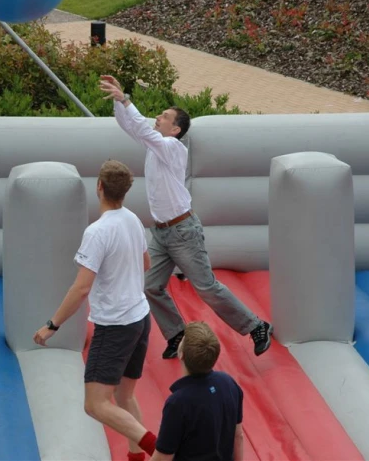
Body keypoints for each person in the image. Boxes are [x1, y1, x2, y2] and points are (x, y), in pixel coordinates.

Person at [98, 75, 273, 359]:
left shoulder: (172, 148)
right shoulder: (156, 145)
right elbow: (132, 127)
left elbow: (143, 130)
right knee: (149, 286)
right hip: (161, 232)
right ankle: (176, 333)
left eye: (164, 116)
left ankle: (256, 326)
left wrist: (125, 99)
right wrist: (120, 101)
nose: (158, 117)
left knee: (206, 288)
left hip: (182, 231)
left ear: (176, 129)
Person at [33, 160, 158, 461]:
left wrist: (52, 324)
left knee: (95, 404)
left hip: (115, 325)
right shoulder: (132, 220)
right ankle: (138, 458)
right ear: (125, 191)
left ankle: (161, 451)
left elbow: (81, 288)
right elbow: (146, 265)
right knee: (124, 396)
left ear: (99, 187)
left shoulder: (97, 232)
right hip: (140, 317)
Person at [150, 322, 244, 461]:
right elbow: (238, 436)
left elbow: (163, 457)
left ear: (181, 354)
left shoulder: (177, 403)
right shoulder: (228, 383)